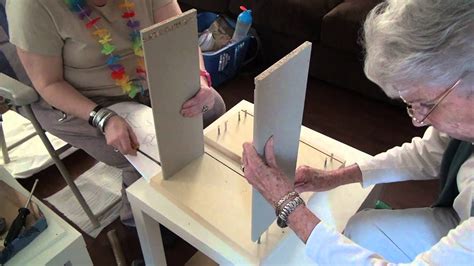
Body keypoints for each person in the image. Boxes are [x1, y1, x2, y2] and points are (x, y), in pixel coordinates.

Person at [241, 0, 473, 264]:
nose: (418, 120)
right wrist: (335, 177)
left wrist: (288, 206)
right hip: (460, 216)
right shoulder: (463, 112)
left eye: (428, 104)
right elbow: (431, 153)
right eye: (411, 105)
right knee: (361, 229)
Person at [6, 0, 226, 226]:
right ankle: (138, 220)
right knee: (141, 151)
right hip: (80, 100)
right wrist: (103, 118)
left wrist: (199, 79)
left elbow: (180, 36)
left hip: (146, 77)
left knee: (212, 109)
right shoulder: (31, 5)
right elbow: (49, 83)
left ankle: (199, 191)